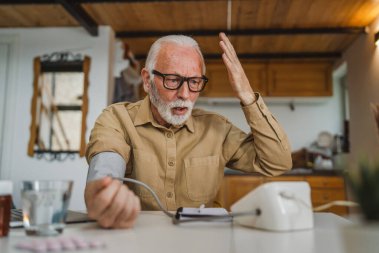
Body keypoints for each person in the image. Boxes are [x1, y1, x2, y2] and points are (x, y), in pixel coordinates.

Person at [84, 33, 292, 229]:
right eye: (173, 80)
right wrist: (106, 191)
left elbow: (277, 161)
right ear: (147, 81)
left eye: (194, 82)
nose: (185, 94)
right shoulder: (116, 119)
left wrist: (246, 94)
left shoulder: (217, 128)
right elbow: (107, 165)